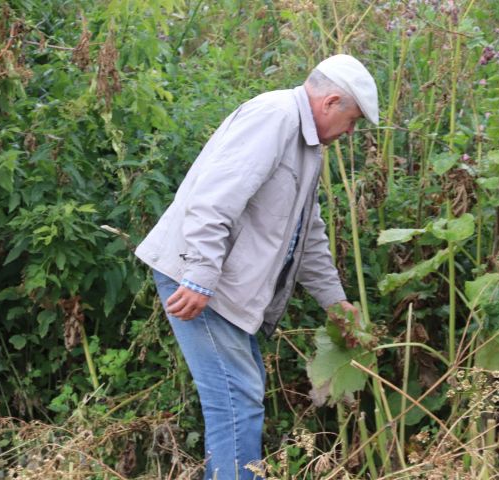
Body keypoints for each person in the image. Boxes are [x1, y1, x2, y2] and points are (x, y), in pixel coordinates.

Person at [135, 54, 379, 479]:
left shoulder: (305, 147)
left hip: (218, 284)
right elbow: (213, 200)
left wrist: (335, 300)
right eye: (352, 120)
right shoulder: (275, 118)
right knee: (236, 399)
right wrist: (201, 275)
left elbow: (308, 233)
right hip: (201, 280)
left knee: (240, 397)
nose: (350, 132)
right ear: (331, 101)